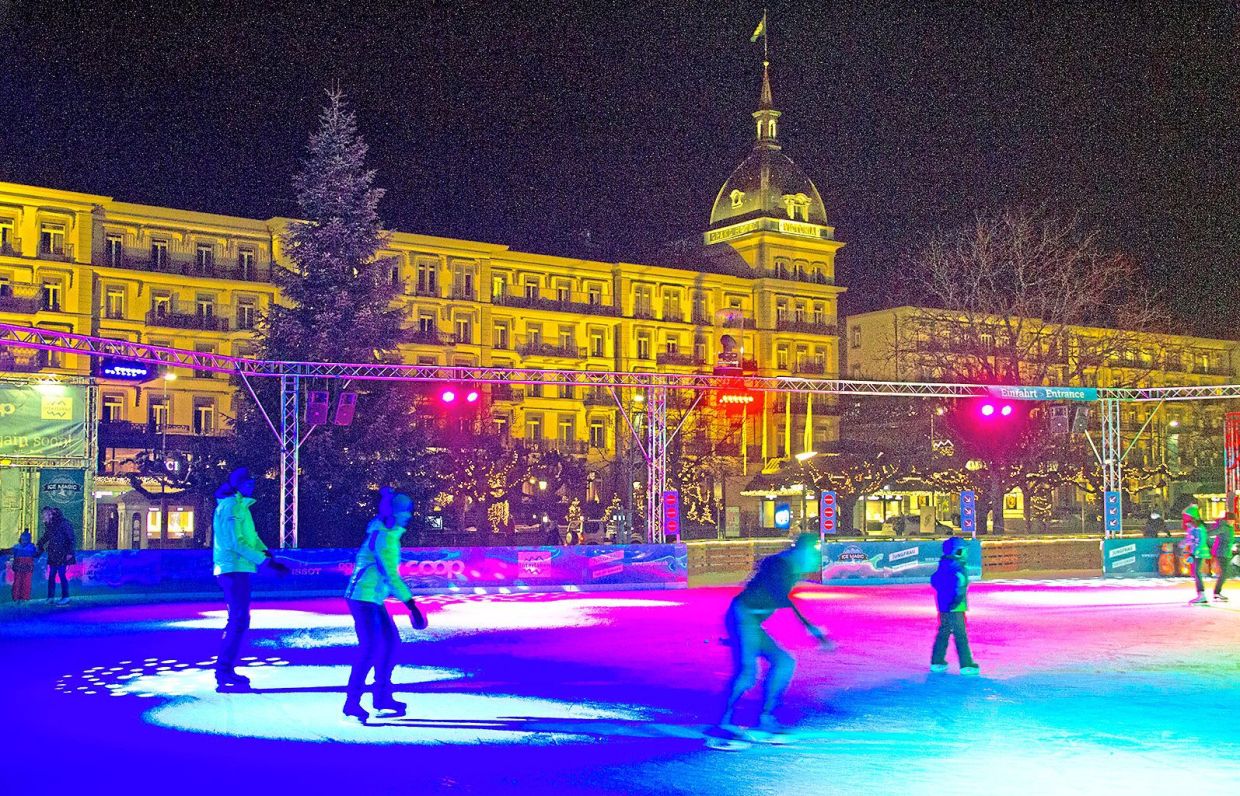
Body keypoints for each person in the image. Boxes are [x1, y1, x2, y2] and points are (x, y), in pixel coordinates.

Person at [717, 532, 832, 739]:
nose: (816, 561)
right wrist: (812, 629)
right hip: (743, 615)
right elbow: (782, 598)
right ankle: (722, 722)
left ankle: (766, 717)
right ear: (802, 551)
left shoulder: (790, 568)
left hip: (752, 621)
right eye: (814, 554)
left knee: (784, 662)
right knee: (747, 672)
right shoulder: (782, 565)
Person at [342, 488, 428, 723]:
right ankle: (352, 702)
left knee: (389, 643)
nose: (410, 516)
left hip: (371, 597)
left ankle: (381, 697)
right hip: (363, 598)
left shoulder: (385, 532)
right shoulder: (385, 537)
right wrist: (411, 605)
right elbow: (390, 574)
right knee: (370, 649)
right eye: (407, 511)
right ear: (399, 513)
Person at [212, 467, 289, 692]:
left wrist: (266, 554)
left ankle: (225, 670)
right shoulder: (230, 507)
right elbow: (236, 543)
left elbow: (251, 537)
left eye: (252, 482)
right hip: (232, 569)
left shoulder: (240, 506)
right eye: (248, 482)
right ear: (238, 484)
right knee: (238, 620)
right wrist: (263, 561)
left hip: (238, 568)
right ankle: (224, 671)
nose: (252, 485)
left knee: (239, 620)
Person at [930, 536, 979, 675]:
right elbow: (959, 587)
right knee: (960, 634)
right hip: (955, 607)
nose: (966, 553)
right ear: (957, 551)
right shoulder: (958, 567)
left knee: (944, 631)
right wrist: (955, 602)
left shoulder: (943, 565)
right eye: (964, 550)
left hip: (944, 606)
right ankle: (966, 664)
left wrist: (945, 601)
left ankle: (937, 661)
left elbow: (934, 581)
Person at [37, 507, 76, 605]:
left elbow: (71, 538)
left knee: (62, 575)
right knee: (51, 576)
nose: (45, 517)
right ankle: (50, 597)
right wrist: (40, 542)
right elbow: (47, 536)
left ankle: (65, 596)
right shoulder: (51, 525)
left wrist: (70, 553)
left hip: (62, 553)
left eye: (47, 515)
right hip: (53, 554)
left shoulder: (63, 524)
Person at [1183, 502, 1211, 605]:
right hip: (1197, 553)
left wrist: (1193, 554)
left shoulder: (1199, 528)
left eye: (1187, 519)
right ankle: (1201, 594)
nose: (1186, 521)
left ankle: (1202, 595)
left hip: (1199, 553)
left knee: (1197, 572)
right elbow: (1191, 539)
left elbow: (1199, 542)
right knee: (1196, 572)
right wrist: (1185, 544)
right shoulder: (1195, 527)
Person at [1210, 512, 1235, 602]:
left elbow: (1228, 539)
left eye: (1233, 520)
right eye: (1230, 520)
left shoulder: (1230, 527)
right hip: (1222, 553)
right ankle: (1217, 593)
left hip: (1226, 553)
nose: (1232, 521)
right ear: (1227, 520)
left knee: (1226, 573)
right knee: (1224, 573)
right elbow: (1213, 532)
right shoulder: (1224, 527)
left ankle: (1217, 593)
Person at [7, 530, 38, 602]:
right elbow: (36, 555)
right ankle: (21, 598)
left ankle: (20, 598)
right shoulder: (30, 547)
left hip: (23, 566)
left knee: (22, 582)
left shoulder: (19, 547)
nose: (24, 541)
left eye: (25, 539)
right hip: (23, 566)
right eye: (23, 539)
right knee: (21, 582)